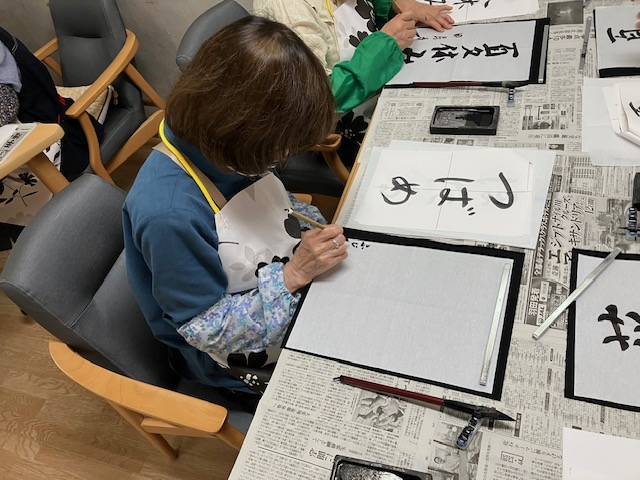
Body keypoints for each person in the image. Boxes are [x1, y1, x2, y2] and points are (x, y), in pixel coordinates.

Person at [123, 16, 348, 404]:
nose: (282, 158)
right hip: (234, 355)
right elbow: (208, 330)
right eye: (278, 148)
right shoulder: (169, 214)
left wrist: (313, 233)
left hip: (281, 285)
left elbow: (276, 206)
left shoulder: (225, 146)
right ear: (236, 130)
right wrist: (293, 275)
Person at [254, 0, 454, 162]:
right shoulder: (289, 7)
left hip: (384, 87)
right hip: (338, 125)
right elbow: (317, 97)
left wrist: (400, 7)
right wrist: (385, 44)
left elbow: (370, 18)